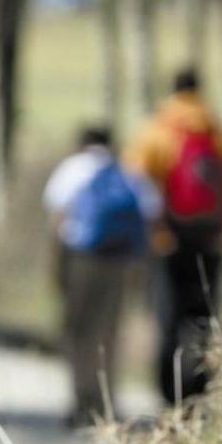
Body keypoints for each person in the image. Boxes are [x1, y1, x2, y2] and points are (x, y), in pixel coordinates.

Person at [125, 68, 222, 406]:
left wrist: (140, 238)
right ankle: (200, 396)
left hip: (167, 245)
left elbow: (133, 188)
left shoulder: (155, 133)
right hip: (211, 243)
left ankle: (168, 398)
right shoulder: (221, 136)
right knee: (204, 322)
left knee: (168, 321)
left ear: (171, 91)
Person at [44, 126, 161, 426]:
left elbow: (56, 221)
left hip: (82, 260)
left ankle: (81, 401)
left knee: (78, 332)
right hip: (121, 263)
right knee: (109, 332)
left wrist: (57, 271)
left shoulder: (72, 169)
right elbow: (151, 215)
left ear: (82, 144)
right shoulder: (129, 172)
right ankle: (107, 403)